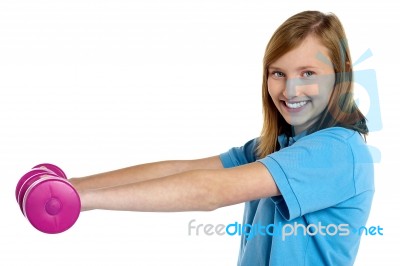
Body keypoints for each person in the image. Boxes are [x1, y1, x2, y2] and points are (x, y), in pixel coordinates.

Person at [69, 10, 374, 265]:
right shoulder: (277, 148)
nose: (290, 90)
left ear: (342, 72)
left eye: (308, 73)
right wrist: (75, 186)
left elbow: (210, 190)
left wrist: (82, 199)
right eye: (278, 73)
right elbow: (182, 170)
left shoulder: (337, 151)